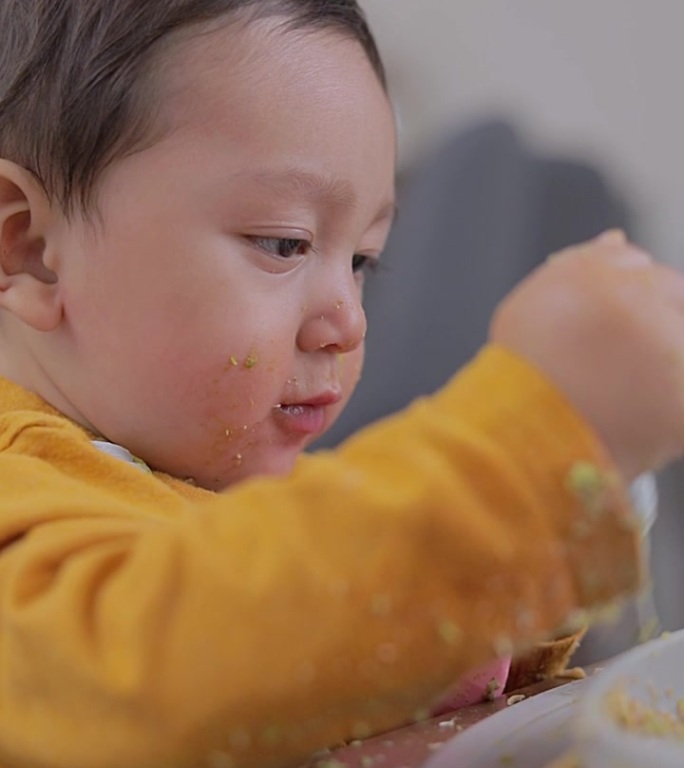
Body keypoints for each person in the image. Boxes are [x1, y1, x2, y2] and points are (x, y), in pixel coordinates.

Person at [0, 2, 683, 767]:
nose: (349, 320)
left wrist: (571, 509)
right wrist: (522, 465)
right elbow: (162, 673)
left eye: (362, 261)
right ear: (30, 249)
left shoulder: (229, 483)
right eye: (285, 242)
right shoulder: (20, 504)